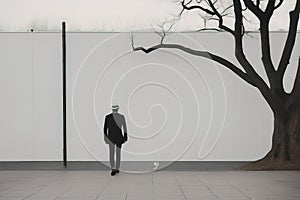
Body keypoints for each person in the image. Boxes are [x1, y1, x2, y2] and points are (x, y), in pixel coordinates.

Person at [103, 105, 127, 176]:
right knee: (117, 153)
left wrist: (105, 138)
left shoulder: (108, 117)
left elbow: (105, 129)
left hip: (111, 137)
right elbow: (125, 128)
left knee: (112, 153)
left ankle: (114, 167)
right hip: (118, 137)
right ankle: (116, 168)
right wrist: (125, 137)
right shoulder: (121, 117)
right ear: (118, 109)